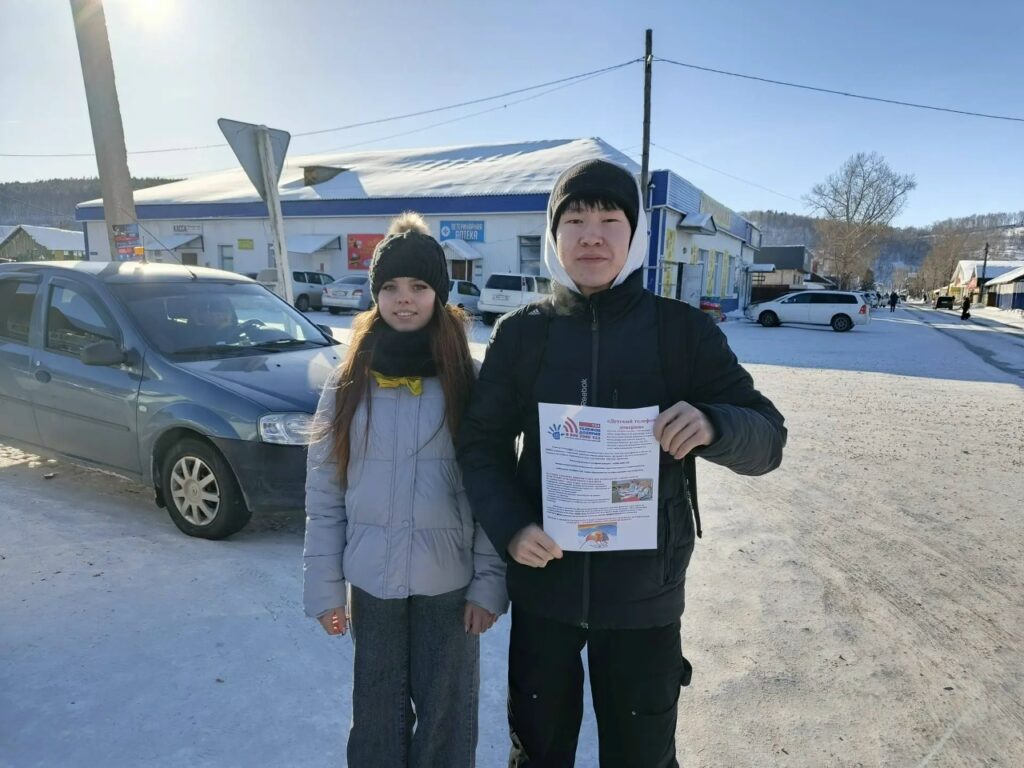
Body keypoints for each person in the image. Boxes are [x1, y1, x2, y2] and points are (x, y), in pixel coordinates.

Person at [457, 159, 787, 767]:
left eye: (610, 220)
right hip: (546, 588)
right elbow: (480, 445)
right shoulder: (521, 334)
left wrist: (714, 425)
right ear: (554, 235)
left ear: (634, 235)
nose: (592, 236)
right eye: (575, 220)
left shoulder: (681, 332)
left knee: (643, 756)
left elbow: (768, 438)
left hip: (645, 598)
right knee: (538, 752)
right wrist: (511, 527)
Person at [303, 212, 507, 768]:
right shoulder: (348, 383)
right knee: (376, 715)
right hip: (373, 583)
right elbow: (325, 494)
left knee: (446, 717)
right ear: (375, 295)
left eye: (418, 286)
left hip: (449, 587)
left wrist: (488, 584)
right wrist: (325, 589)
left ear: (440, 293)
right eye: (390, 287)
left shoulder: (468, 381)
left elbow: (492, 492)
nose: (404, 299)